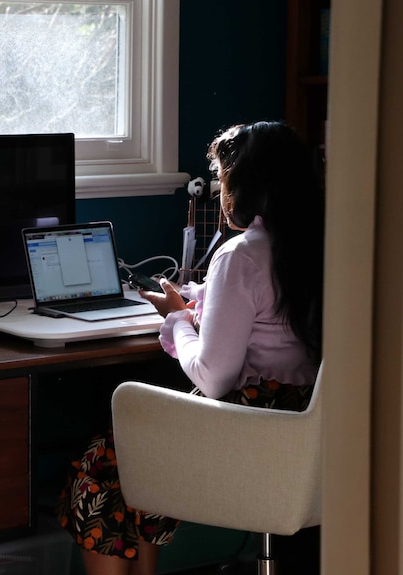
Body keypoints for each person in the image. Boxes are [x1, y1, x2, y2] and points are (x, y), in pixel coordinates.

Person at [56, 120, 325, 575]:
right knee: (132, 458)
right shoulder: (320, 245)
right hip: (307, 439)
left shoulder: (240, 255)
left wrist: (177, 319)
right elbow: (272, 316)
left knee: (100, 466)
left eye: (224, 181)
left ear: (244, 186)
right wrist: (206, 299)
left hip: (250, 436)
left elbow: (214, 377)